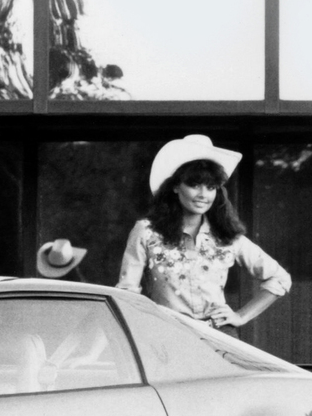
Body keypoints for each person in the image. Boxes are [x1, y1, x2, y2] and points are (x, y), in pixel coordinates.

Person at [116, 135, 291, 333]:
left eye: (210, 187)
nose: (203, 195)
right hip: (166, 335)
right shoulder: (147, 232)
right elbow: (127, 293)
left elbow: (280, 278)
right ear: (175, 186)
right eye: (194, 185)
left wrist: (241, 316)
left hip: (219, 337)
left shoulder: (227, 236)